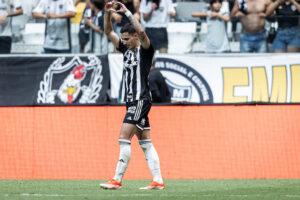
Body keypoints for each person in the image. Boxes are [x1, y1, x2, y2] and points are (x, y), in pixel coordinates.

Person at [100, 1, 165, 190]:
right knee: (146, 142)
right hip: (131, 101)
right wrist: (107, 13)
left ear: (136, 37)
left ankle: (117, 179)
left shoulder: (145, 51)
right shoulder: (126, 51)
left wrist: (128, 12)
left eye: (127, 39)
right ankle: (158, 181)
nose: (124, 42)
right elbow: (107, 32)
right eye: (123, 39)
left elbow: (144, 33)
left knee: (123, 137)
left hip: (140, 100)